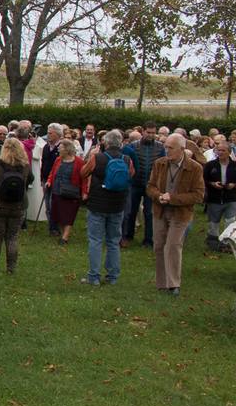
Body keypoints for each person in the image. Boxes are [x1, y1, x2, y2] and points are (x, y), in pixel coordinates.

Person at [146, 133, 205, 296]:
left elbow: (198, 195)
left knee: (173, 245)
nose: (167, 150)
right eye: (166, 147)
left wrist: (173, 198)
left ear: (182, 149)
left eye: (170, 148)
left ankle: (174, 284)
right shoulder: (160, 164)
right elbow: (150, 186)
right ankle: (162, 283)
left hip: (181, 214)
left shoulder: (194, 168)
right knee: (158, 245)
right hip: (159, 211)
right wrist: (158, 196)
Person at [78, 130, 133, 286]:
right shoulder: (127, 159)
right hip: (118, 204)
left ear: (105, 143)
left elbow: (83, 173)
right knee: (113, 241)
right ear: (121, 143)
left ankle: (93, 276)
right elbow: (131, 175)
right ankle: (113, 276)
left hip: (98, 203)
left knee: (95, 240)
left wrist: (91, 156)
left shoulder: (97, 157)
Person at [0, 137, 29, 273]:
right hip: (18, 205)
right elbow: (30, 178)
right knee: (12, 237)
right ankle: (11, 268)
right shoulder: (25, 165)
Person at [122, 122, 162, 249]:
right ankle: (128, 235)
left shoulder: (160, 147)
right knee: (131, 211)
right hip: (135, 183)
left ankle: (148, 239)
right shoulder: (133, 146)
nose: (151, 135)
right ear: (143, 132)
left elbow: (162, 165)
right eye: (148, 132)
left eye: (153, 133)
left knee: (149, 213)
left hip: (152, 184)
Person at [203, 140, 236, 251]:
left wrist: (234, 185)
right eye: (218, 150)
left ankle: (227, 243)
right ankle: (213, 241)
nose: (220, 152)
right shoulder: (210, 165)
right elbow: (203, 180)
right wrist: (213, 184)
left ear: (229, 152)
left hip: (230, 198)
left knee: (230, 221)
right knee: (213, 221)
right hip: (214, 198)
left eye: (223, 150)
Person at [45, 139, 85, 245]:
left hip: (71, 192)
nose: (58, 148)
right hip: (57, 190)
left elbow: (84, 178)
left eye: (61, 147)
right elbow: (52, 172)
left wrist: (84, 192)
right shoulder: (58, 160)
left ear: (67, 149)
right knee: (59, 214)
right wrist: (49, 181)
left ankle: (65, 237)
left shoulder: (79, 162)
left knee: (69, 214)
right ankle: (63, 233)